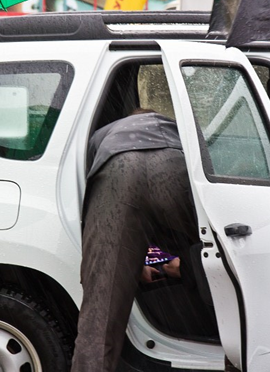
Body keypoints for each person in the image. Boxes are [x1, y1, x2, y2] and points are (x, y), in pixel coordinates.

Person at [71, 109, 200, 372]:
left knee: (101, 312)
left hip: (117, 169)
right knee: (218, 253)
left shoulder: (102, 136)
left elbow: (103, 216)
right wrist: (187, 265)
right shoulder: (174, 127)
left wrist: (129, 265)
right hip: (173, 163)